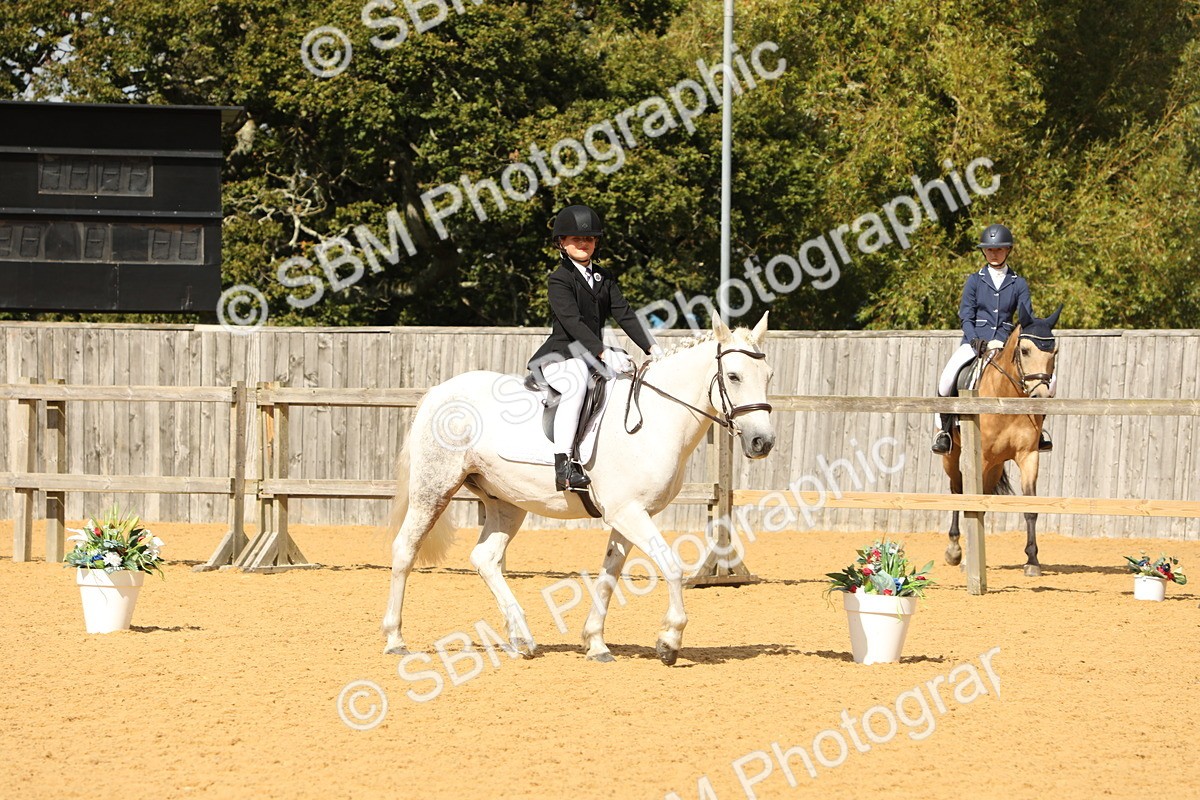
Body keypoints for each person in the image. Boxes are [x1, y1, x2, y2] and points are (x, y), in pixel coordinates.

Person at [528, 204, 663, 491]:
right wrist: (603, 352)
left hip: (592, 355)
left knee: (625, 383)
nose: (583, 243)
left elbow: (624, 313)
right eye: (576, 239)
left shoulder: (604, 278)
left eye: (588, 239)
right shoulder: (559, 279)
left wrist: (653, 349)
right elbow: (572, 322)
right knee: (576, 384)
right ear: (562, 243)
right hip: (561, 355)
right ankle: (564, 464)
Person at [932, 224, 1054, 454]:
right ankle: (945, 430)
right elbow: (966, 314)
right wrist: (974, 338)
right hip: (976, 342)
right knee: (947, 378)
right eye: (989, 250)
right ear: (984, 252)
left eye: (998, 249)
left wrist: (1018, 340)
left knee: (1050, 380)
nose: (993, 253)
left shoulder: (1019, 283)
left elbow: (1025, 317)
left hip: (1006, 344)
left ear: (1007, 250)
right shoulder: (975, 281)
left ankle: (1039, 430)